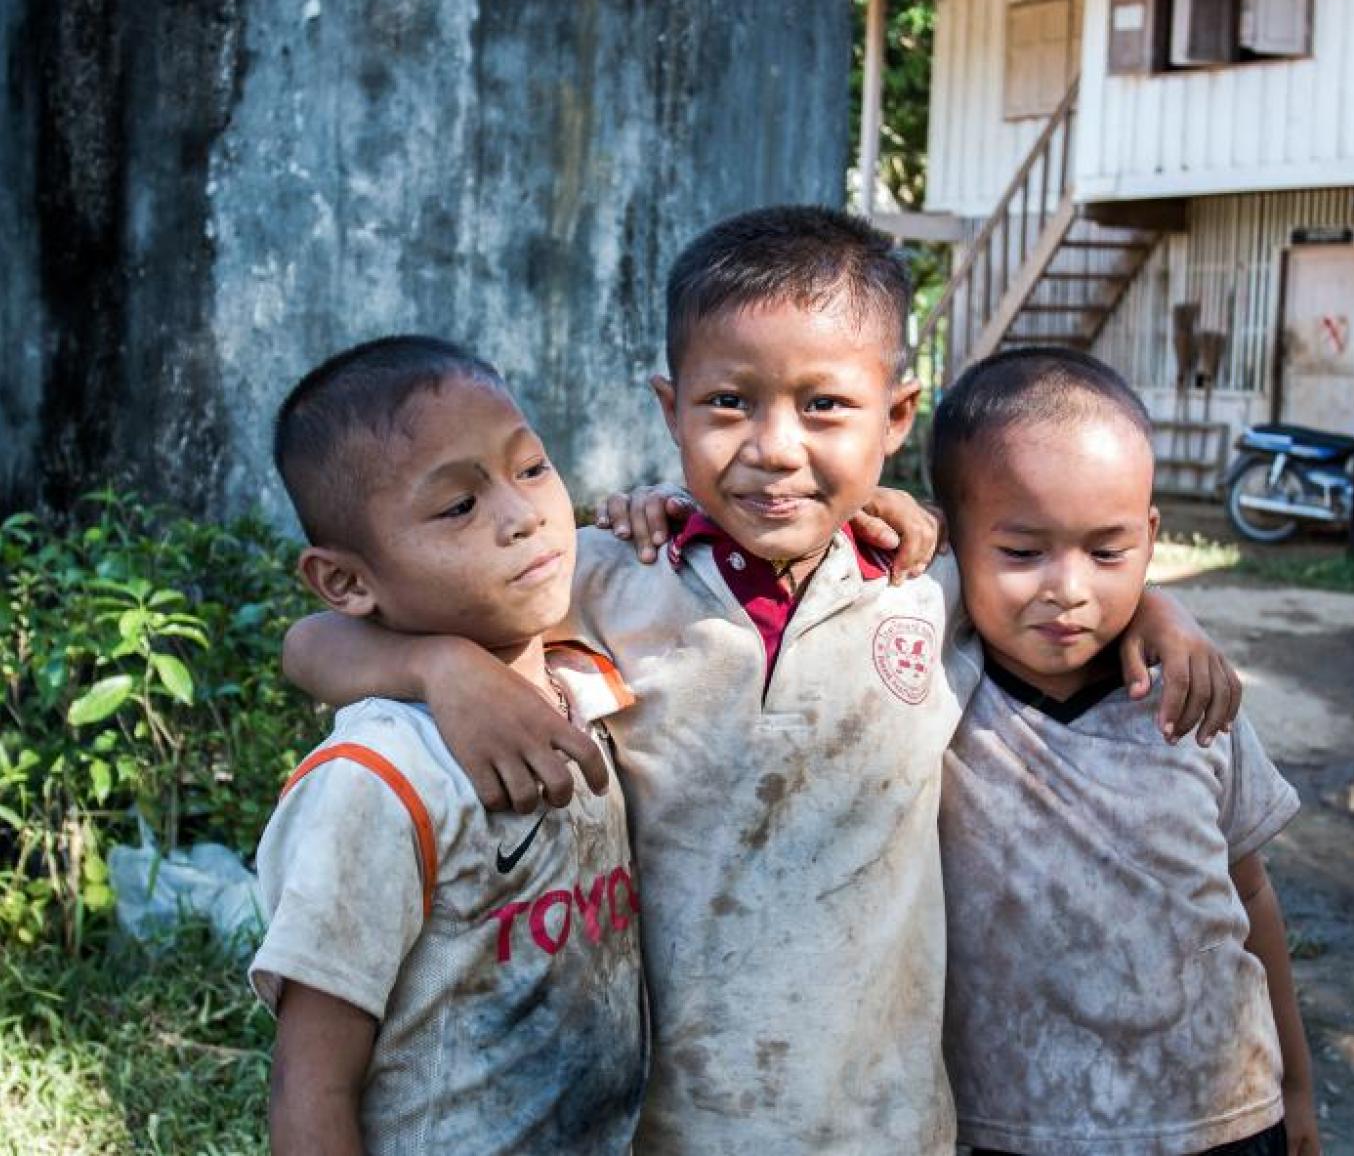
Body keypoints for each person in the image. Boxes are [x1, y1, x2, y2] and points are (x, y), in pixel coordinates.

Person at [280, 207, 1240, 1154]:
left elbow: (1061, 586)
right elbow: (312, 643)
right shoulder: (605, 577)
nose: (775, 447)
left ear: (896, 417)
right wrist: (439, 666)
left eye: (824, 406)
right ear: (671, 410)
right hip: (672, 1128)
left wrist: (1158, 612)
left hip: (888, 1128)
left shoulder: (928, 586)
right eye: (729, 403)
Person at [249, 337, 648, 1156]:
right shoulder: (378, 781)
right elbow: (309, 1084)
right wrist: (437, 666)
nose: (523, 515)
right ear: (347, 581)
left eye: (531, 467)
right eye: (459, 506)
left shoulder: (580, 677)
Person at [932, 348, 1318, 1156]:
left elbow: (1251, 893)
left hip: (1223, 1117)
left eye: (1107, 553)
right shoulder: (935, 688)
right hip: (1016, 1129)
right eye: (1022, 552)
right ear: (949, 539)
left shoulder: (1192, 699)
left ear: (1149, 537)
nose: (1068, 590)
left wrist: (1296, 1090)